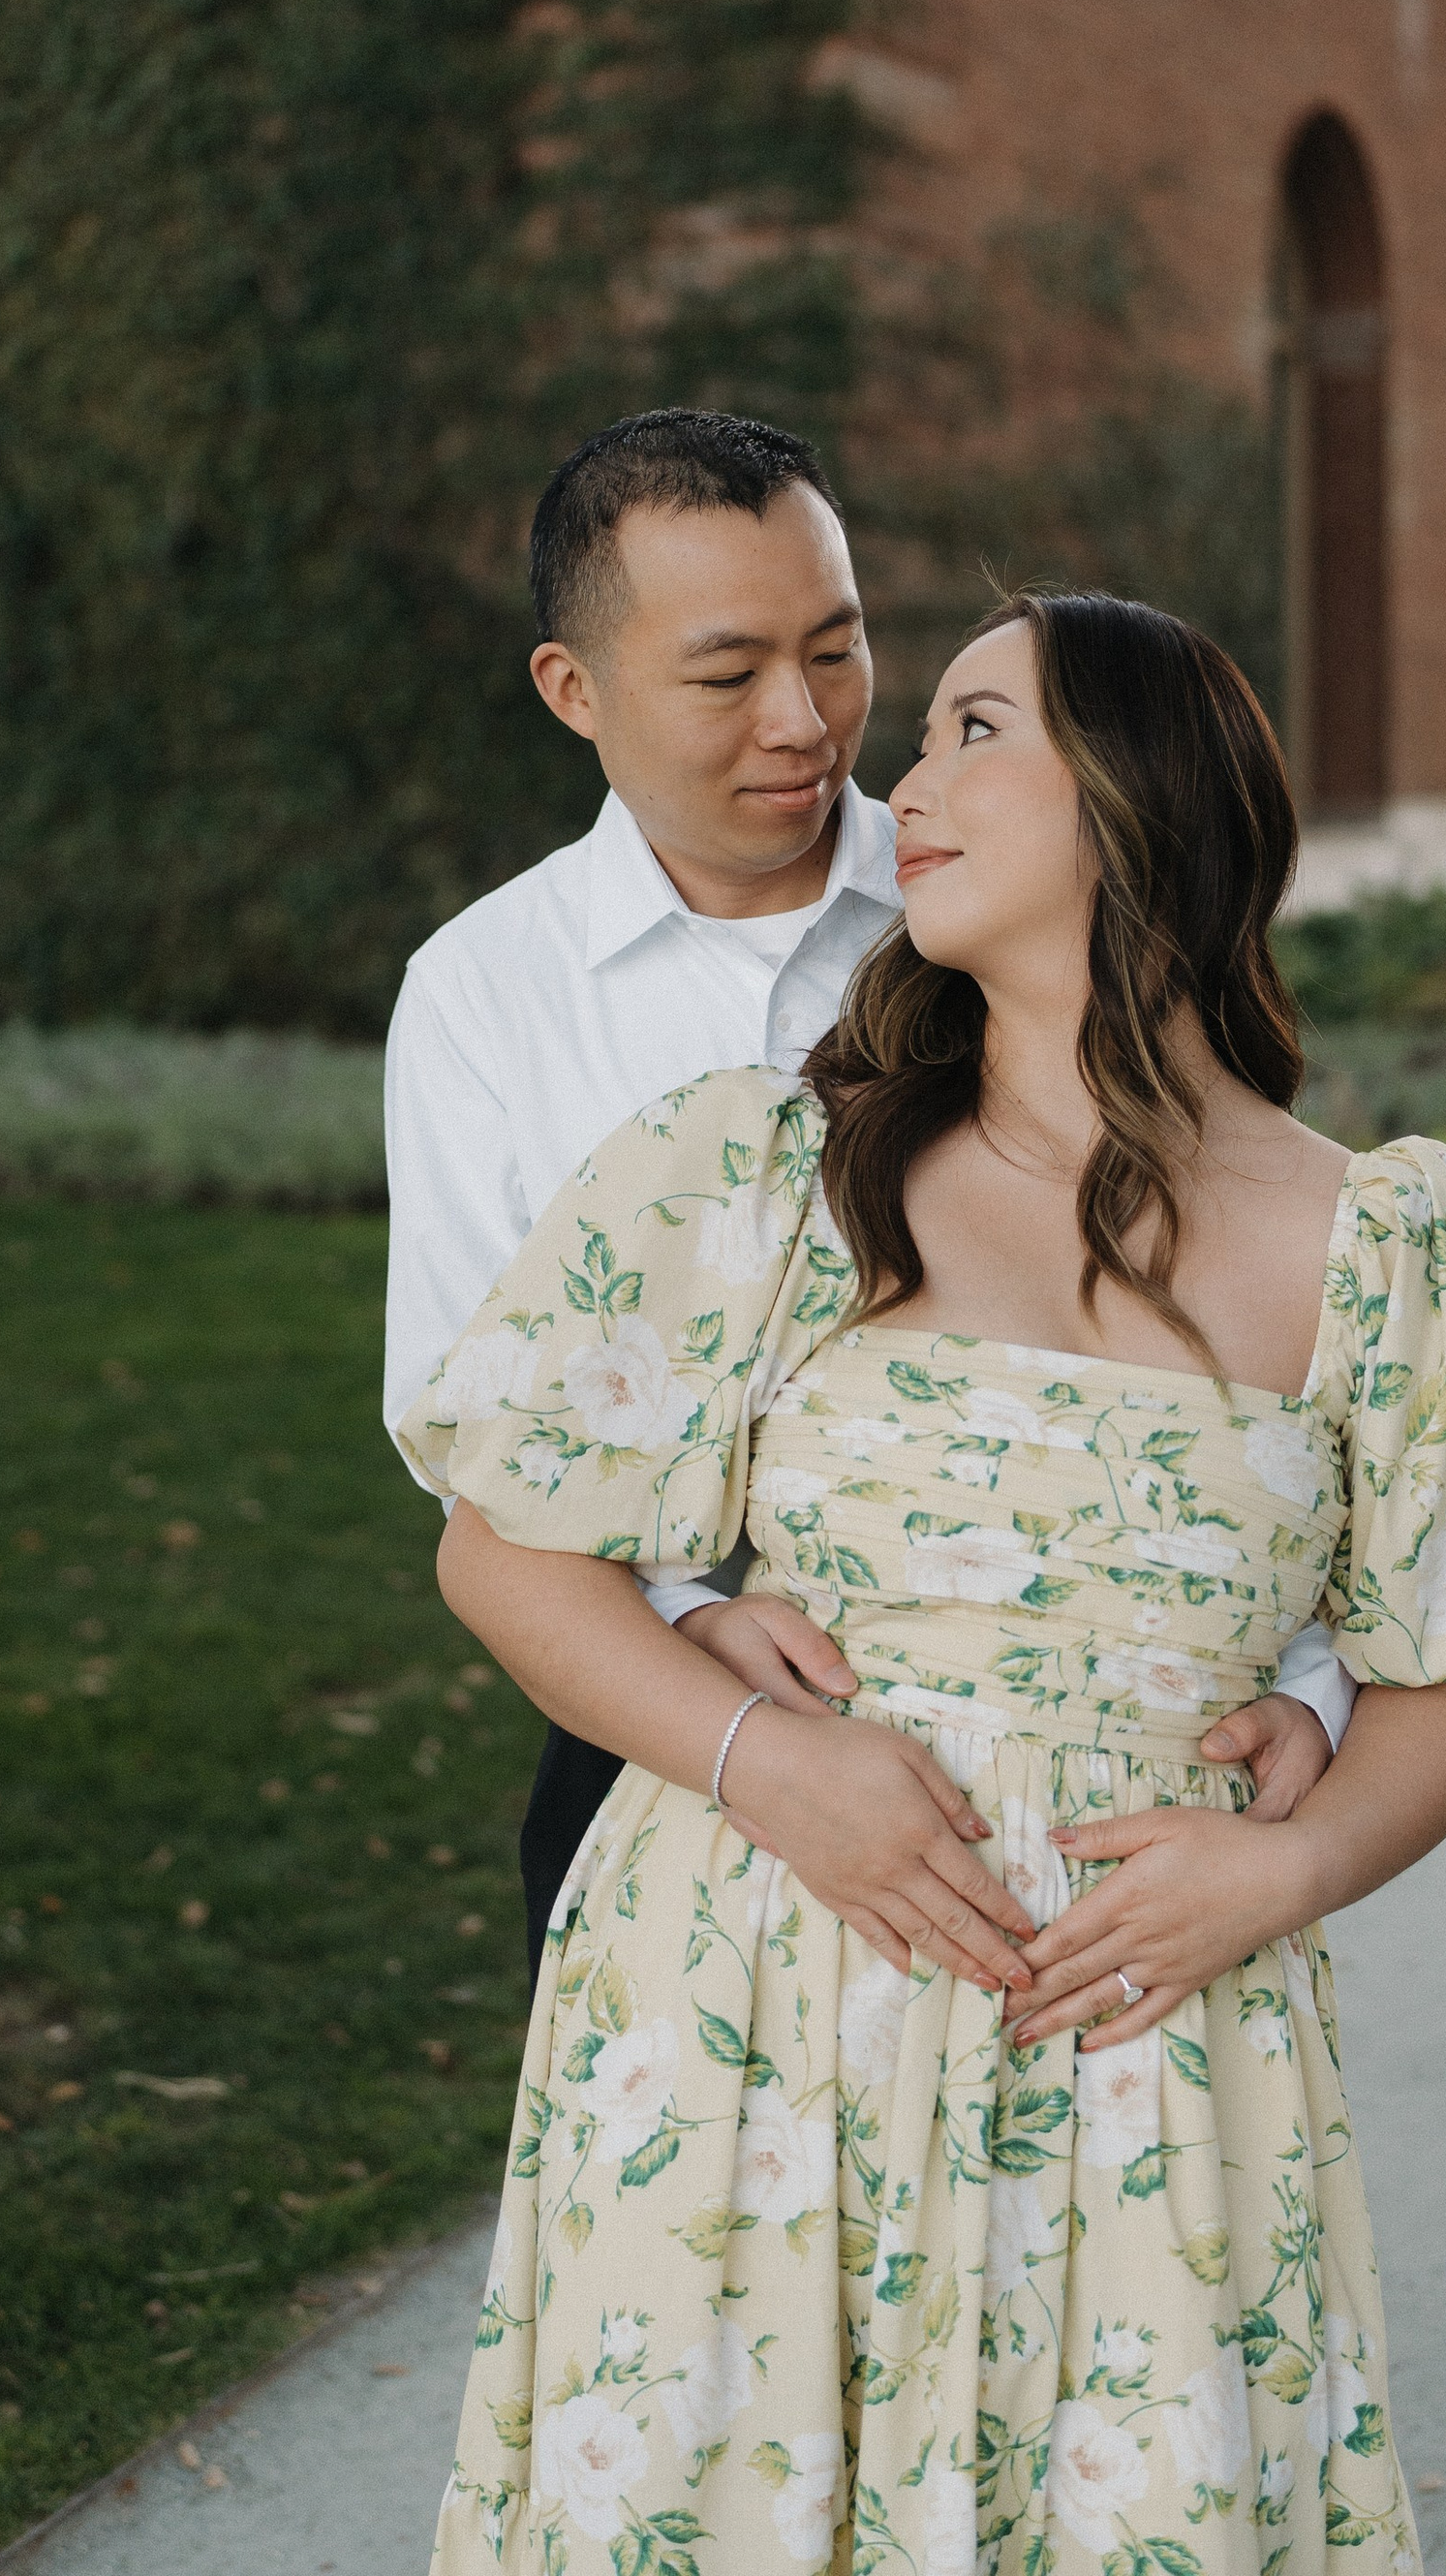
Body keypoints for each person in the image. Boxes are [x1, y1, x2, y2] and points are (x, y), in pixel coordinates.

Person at [399, 588, 1446, 2572]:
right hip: (738, 2024)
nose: (896, 780)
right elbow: (503, 1551)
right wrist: (759, 1756)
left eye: (971, 731)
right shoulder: (763, 1174)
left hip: (1139, 2036)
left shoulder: (1391, 1242)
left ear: (1135, 800)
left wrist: (1286, 1870)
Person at [383, 413, 1347, 1981]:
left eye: (836, 652)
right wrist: (701, 1640)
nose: (806, 722)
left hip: (1107, 1773)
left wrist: (1312, 1683)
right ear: (576, 689)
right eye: (725, 673)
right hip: (675, 1733)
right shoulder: (488, 996)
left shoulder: (992, 877)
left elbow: (1235, 1332)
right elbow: (472, 1426)